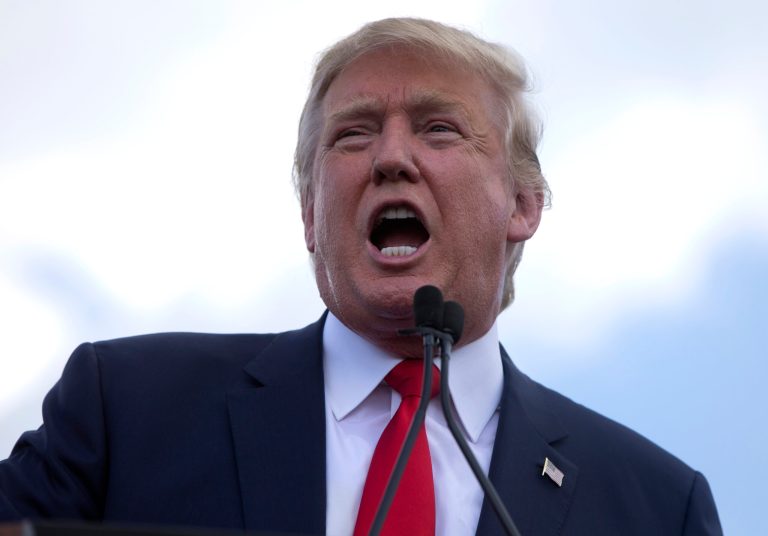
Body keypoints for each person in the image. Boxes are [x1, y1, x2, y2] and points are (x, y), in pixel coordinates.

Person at [0, 17, 721, 535]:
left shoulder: (656, 506)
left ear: (523, 206)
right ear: (311, 216)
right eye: (354, 133)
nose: (391, 158)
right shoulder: (127, 409)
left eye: (438, 128)